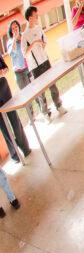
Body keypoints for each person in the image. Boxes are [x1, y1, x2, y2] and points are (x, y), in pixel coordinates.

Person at [21, 6, 68, 120]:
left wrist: (42, 44)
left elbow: (45, 41)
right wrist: (34, 43)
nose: (38, 16)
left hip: (45, 61)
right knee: (40, 91)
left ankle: (59, 105)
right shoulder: (25, 35)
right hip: (35, 67)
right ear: (30, 18)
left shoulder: (39, 28)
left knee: (53, 85)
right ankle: (45, 112)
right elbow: (25, 54)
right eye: (35, 15)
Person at [0, 32, 31, 164]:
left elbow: (4, 66)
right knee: (3, 125)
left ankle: (25, 148)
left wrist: (4, 71)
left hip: (3, 86)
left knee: (14, 117)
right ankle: (14, 155)